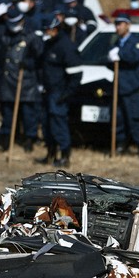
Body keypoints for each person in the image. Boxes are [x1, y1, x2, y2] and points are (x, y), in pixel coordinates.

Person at [0, 5, 44, 152]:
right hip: (7, 81)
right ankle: (6, 139)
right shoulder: (3, 34)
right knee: (7, 113)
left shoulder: (31, 36)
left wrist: (29, 63)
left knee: (28, 114)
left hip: (25, 81)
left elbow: (40, 58)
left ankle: (29, 139)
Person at [37, 15, 82, 167]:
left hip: (59, 91)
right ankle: (50, 153)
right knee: (46, 124)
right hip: (47, 90)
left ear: (55, 29)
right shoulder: (48, 44)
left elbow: (76, 75)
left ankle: (64, 155)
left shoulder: (66, 46)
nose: (46, 32)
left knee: (58, 125)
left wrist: (66, 94)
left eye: (48, 30)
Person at [107, 13, 139, 156]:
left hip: (130, 87)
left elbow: (135, 58)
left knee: (134, 118)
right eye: (116, 24)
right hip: (118, 87)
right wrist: (110, 59)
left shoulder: (136, 42)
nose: (117, 27)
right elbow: (110, 62)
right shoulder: (116, 43)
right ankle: (121, 144)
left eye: (120, 24)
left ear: (128, 25)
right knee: (118, 119)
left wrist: (121, 55)